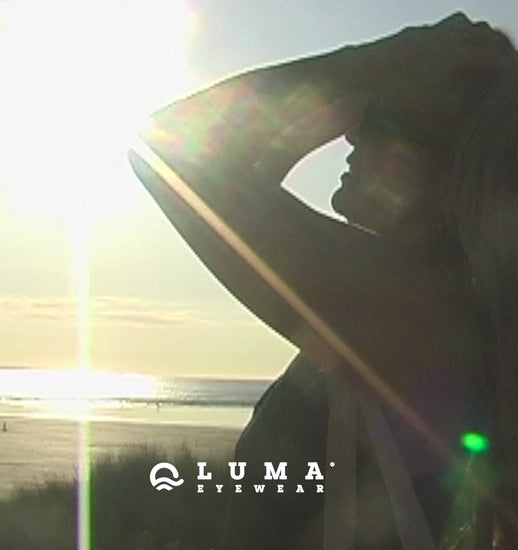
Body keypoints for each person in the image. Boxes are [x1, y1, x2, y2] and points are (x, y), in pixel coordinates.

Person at [129, 13, 518, 548]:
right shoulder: (393, 308)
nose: (352, 128)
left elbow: (167, 150)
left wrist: (382, 58)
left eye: (383, 116)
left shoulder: (415, 313)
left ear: (446, 169)